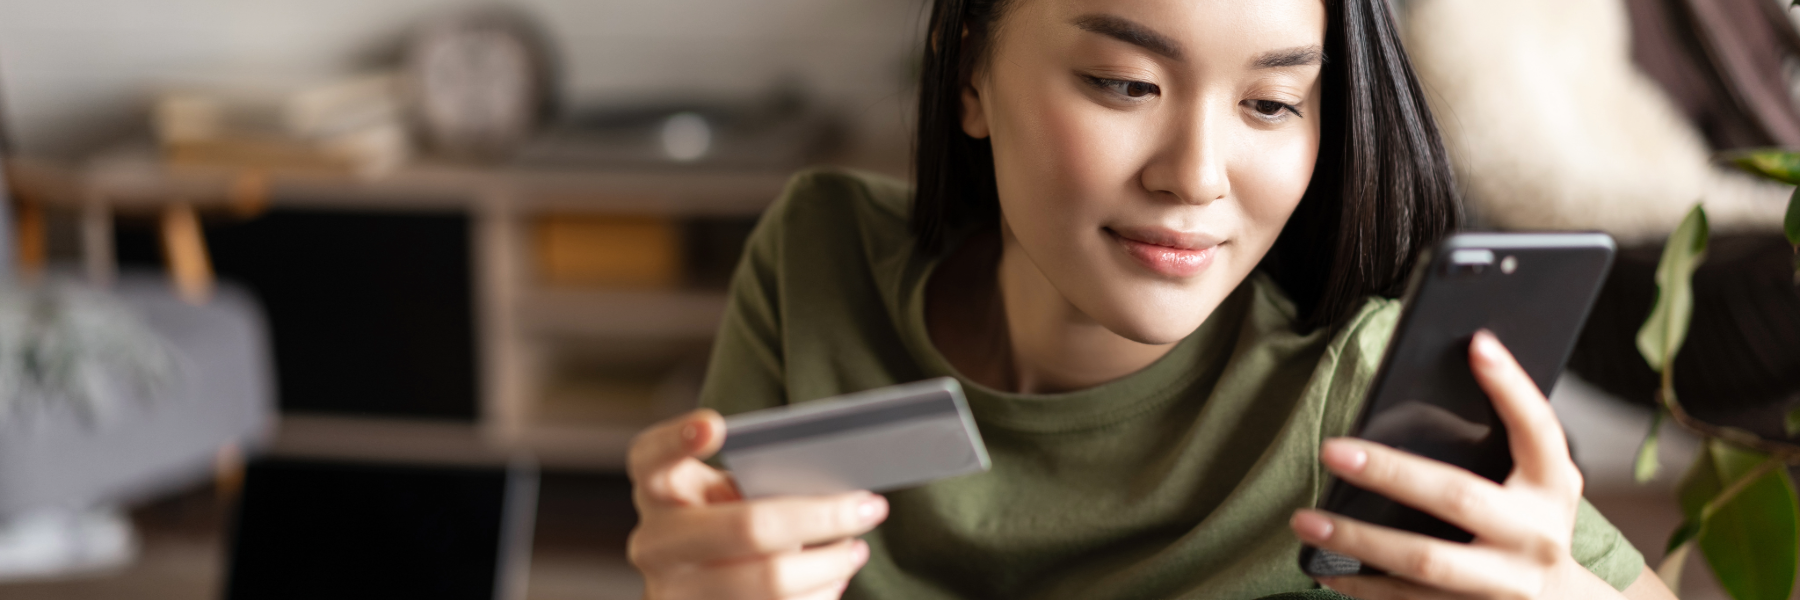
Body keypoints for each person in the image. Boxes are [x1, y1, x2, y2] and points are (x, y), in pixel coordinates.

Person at [624, 0, 1682, 598]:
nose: (1197, 175)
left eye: (1271, 103)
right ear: (968, 77)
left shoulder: (1358, 398)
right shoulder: (819, 262)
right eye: (1126, 84)